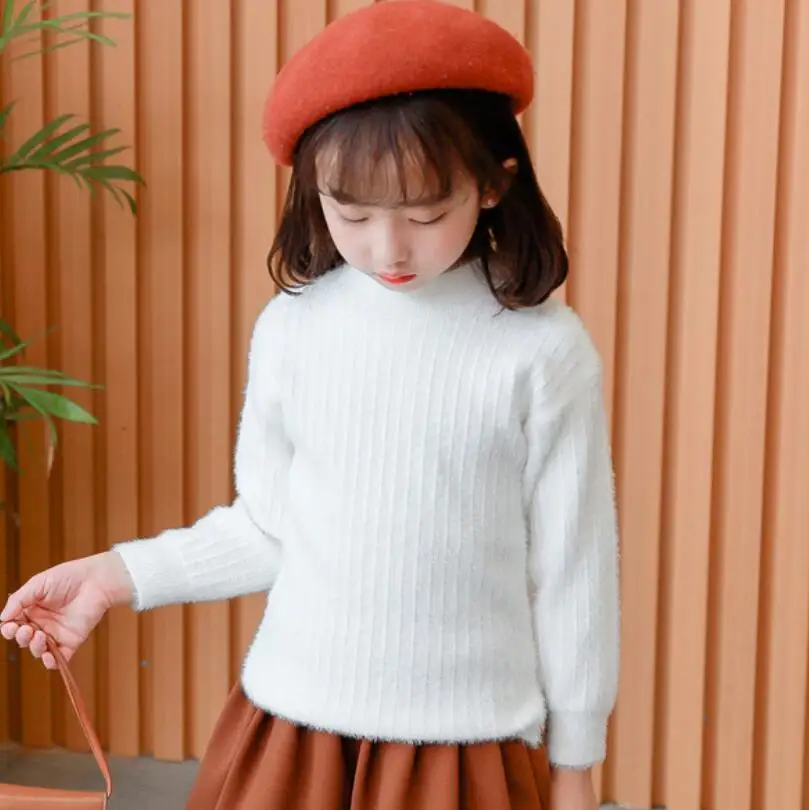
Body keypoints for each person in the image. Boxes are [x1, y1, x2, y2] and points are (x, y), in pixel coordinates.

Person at [0, 2, 620, 808]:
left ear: (496, 182)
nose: (388, 248)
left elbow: (574, 571)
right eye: (351, 212)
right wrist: (112, 578)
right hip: (291, 736)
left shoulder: (542, 351)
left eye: (426, 213)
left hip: (468, 746)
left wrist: (575, 766)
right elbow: (267, 528)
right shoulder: (293, 327)